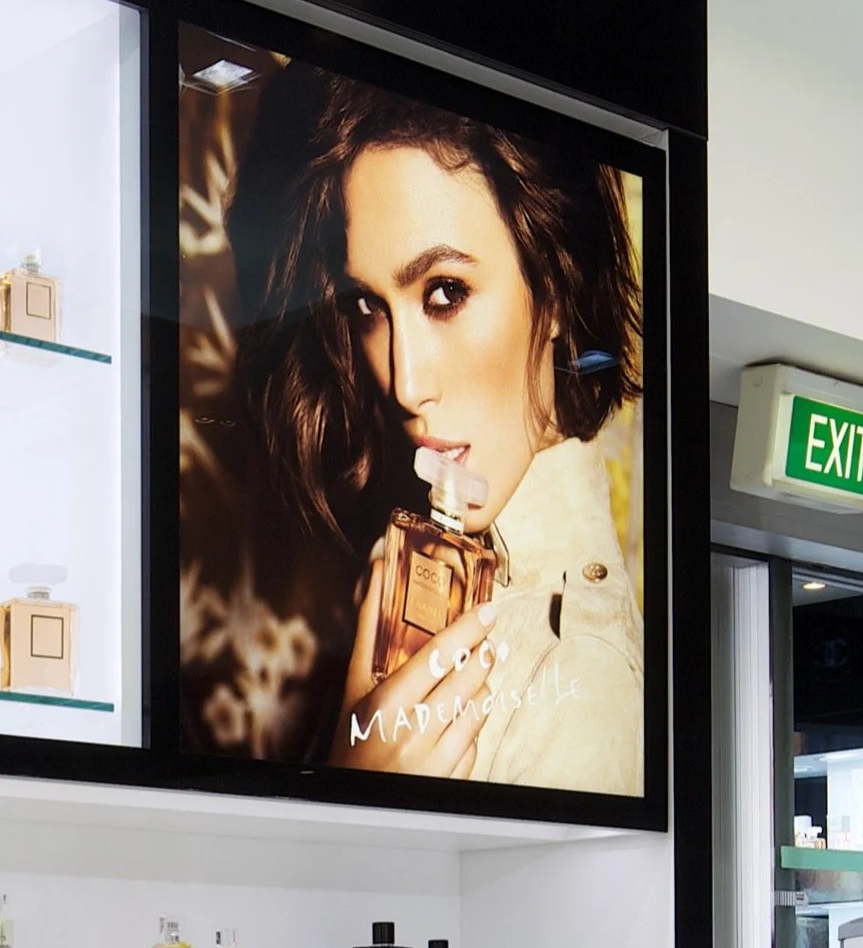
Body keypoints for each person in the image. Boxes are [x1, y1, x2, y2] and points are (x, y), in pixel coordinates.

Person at [221, 68, 644, 790]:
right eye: (367, 305)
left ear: (558, 289)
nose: (404, 382)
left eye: (444, 293)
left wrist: (356, 801)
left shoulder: (575, 676)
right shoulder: (411, 577)